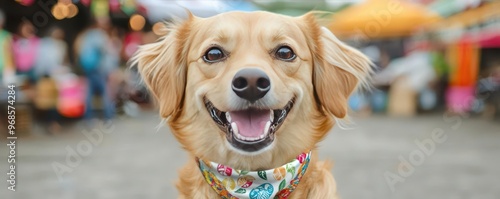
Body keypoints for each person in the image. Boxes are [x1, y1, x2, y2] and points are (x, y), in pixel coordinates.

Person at [75, 17, 115, 122]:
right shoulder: (99, 35)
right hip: (99, 69)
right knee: (105, 94)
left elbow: (79, 51)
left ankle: (88, 118)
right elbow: (104, 51)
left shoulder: (86, 35)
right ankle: (108, 117)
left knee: (89, 94)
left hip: (88, 69)